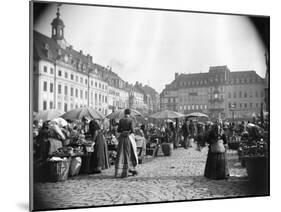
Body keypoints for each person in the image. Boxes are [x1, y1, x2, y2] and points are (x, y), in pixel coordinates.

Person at [115, 109, 138, 177]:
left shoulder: (121, 120)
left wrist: (123, 131)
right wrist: (128, 132)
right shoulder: (130, 120)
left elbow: (118, 130)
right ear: (130, 113)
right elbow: (133, 131)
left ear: (124, 113)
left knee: (121, 154)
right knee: (130, 153)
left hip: (122, 139)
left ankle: (120, 171)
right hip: (128, 138)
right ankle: (130, 169)